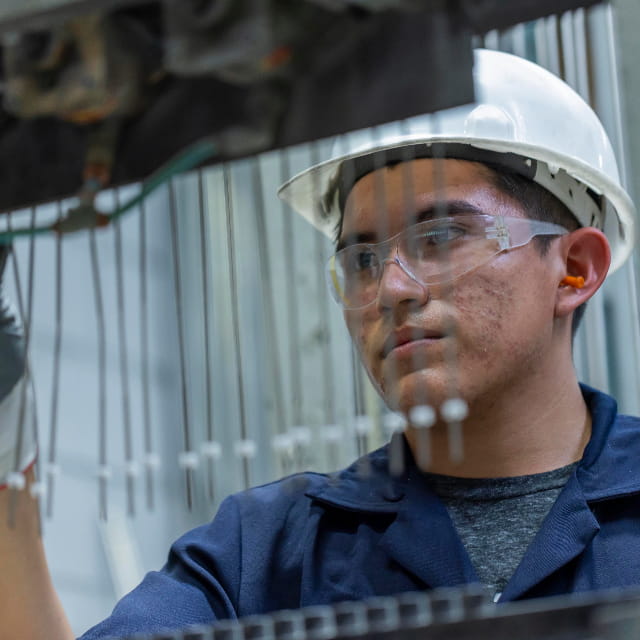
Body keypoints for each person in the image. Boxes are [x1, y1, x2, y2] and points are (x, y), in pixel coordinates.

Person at [1, 48, 639, 640]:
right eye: (362, 259)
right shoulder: (263, 555)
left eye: (441, 237)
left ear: (575, 269)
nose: (391, 288)